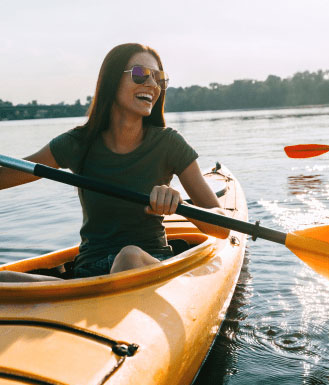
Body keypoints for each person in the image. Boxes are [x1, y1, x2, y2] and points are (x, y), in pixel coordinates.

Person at [0, 43, 229, 282]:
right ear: (111, 81)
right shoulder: (78, 143)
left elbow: (221, 227)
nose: (152, 85)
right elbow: (8, 174)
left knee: (128, 256)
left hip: (148, 264)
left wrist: (180, 204)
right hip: (87, 274)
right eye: (141, 74)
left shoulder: (169, 144)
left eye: (159, 78)